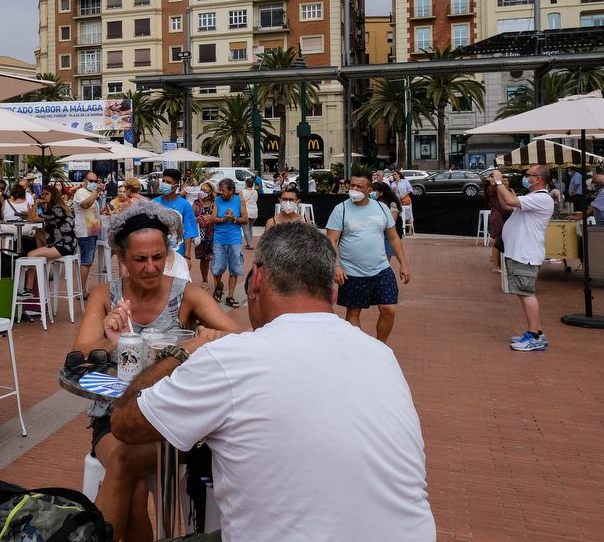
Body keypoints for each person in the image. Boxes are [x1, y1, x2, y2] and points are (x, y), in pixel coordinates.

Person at [110, 222, 435, 542]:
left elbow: (125, 423)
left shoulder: (229, 359)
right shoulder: (380, 356)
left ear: (257, 282)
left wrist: (182, 352)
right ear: (334, 292)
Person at [68, 202, 241, 541]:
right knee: (131, 494)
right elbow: (79, 353)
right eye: (140, 260)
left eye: (158, 257)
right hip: (115, 414)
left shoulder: (187, 295)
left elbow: (236, 335)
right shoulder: (107, 295)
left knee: (121, 467)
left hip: (174, 417)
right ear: (121, 258)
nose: (151, 268)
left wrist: (197, 342)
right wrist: (112, 341)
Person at [326, 175, 413, 345]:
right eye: (352, 185)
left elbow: (394, 238)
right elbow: (331, 240)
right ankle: (359, 349)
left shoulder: (381, 208)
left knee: (389, 309)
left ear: (369, 190)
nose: (355, 190)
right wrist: (336, 266)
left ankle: (381, 346)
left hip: (381, 269)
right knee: (353, 313)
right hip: (352, 272)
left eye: (359, 187)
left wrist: (404, 264)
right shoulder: (340, 209)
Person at [493, 165, 554, 352]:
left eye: (529, 175)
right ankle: (536, 330)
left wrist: (497, 181)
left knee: (527, 293)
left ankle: (534, 335)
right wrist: (499, 187)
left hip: (525, 253)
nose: (526, 178)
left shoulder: (542, 198)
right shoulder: (531, 198)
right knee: (523, 292)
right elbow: (506, 204)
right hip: (519, 252)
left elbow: (510, 200)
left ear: (539, 179)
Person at [19, 185, 76, 298]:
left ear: (53, 195)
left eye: (46, 194)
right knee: (39, 232)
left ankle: (29, 289)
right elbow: (35, 218)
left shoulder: (57, 209)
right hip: (61, 242)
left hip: (64, 246)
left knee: (31, 254)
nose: (43, 196)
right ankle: (41, 259)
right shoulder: (53, 208)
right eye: (43, 194)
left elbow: (32, 218)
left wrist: (36, 202)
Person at [212, 178, 248, 308]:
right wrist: (223, 219)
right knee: (217, 267)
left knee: (234, 268)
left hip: (234, 239)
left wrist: (233, 219)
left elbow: (245, 220)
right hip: (219, 238)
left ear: (231, 190)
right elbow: (213, 218)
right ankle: (219, 285)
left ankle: (230, 296)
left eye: (224, 190)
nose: (221, 193)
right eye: (220, 190)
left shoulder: (239, 200)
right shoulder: (217, 200)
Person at [152, 168, 198, 262]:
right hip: (157, 255)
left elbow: (188, 231)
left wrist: (187, 256)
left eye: (168, 182)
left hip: (178, 255)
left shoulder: (184, 205)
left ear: (175, 186)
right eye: (163, 181)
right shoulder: (153, 204)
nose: (164, 184)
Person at [72, 172, 103, 284]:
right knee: (86, 261)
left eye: (95, 181)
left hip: (92, 232)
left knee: (88, 261)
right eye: (91, 181)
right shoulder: (80, 193)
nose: (93, 183)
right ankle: (82, 290)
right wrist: (96, 192)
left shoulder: (92, 193)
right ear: (85, 181)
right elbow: (85, 205)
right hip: (85, 232)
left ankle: (83, 288)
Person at [370, 181, 404, 269]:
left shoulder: (392, 203)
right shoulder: (373, 202)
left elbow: (392, 221)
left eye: (374, 190)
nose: (371, 192)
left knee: (385, 260)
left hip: (387, 236)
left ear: (381, 193)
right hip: (377, 235)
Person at [192, 182, 217, 293]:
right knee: (204, 259)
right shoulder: (196, 203)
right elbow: (191, 217)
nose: (202, 192)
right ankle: (205, 280)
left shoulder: (216, 203)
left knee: (217, 258)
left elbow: (220, 216)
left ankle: (217, 280)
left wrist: (212, 218)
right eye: (201, 190)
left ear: (211, 191)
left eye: (205, 190)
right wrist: (196, 219)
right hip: (201, 234)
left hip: (215, 234)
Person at [484, 177, 511, 274]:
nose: (494, 180)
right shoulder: (492, 189)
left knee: (499, 241)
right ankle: (496, 266)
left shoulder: (498, 189)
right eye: (491, 180)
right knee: (497, 242)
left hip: (500, 215)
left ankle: (498, 263)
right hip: (497, 216)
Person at [239, 177, 259, 249]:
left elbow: (239, 202)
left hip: (245, 211)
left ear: (246, 183)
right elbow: (256, 200)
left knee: (245, 228)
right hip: (254, 211)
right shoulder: (255, 192)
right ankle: (249, 242)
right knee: (250, 227)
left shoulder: (242, 192)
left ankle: (250, 244)